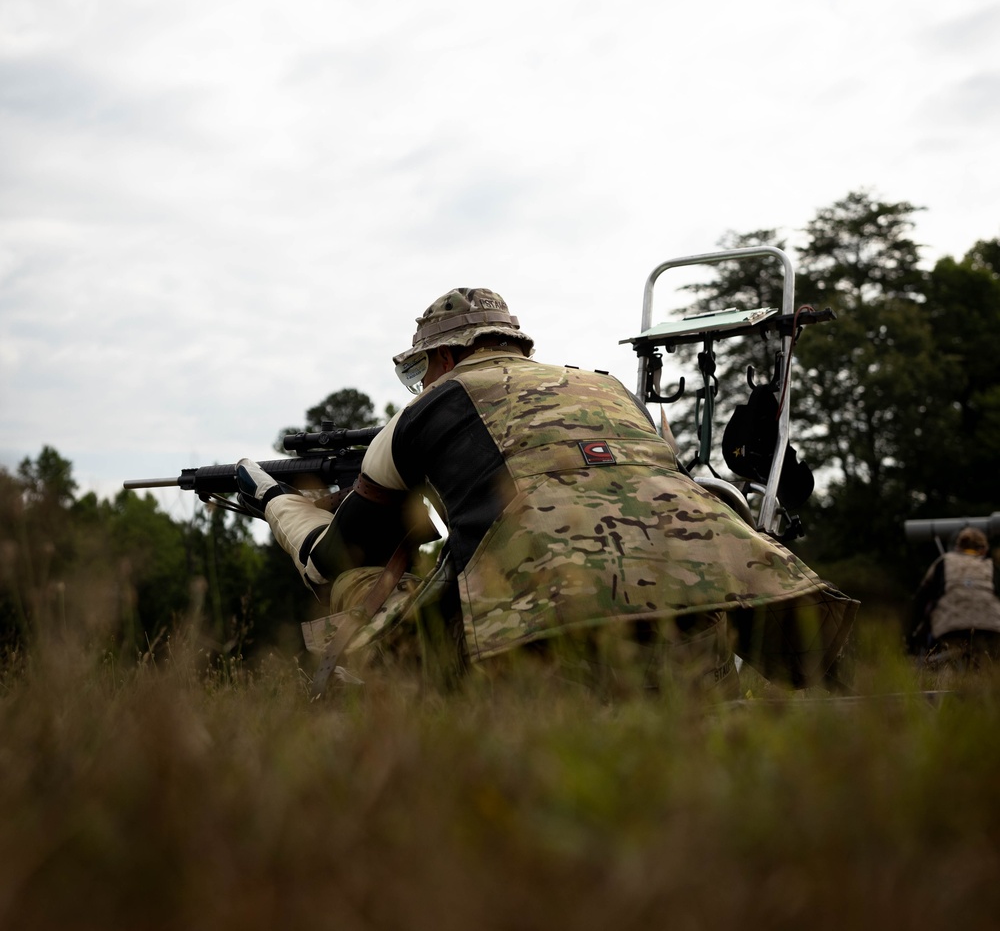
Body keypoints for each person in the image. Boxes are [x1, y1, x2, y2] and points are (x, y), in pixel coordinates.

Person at [237, 287, 857, 693]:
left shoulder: (424, 415)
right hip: (698, 630)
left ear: (446, 358)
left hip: (538, 646)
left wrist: (275, 500)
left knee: (353, 589)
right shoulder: (610, 390)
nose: (420, 383)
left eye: (419, 369)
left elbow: (334, 559)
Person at [909, 526, 1000, 665]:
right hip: (991, 630)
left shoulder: (943, 562)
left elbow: (920, 600)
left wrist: (909, 638)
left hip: (949, 629)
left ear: (957, 547)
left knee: (948, 664)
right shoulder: (992, 566)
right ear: (984, 549)